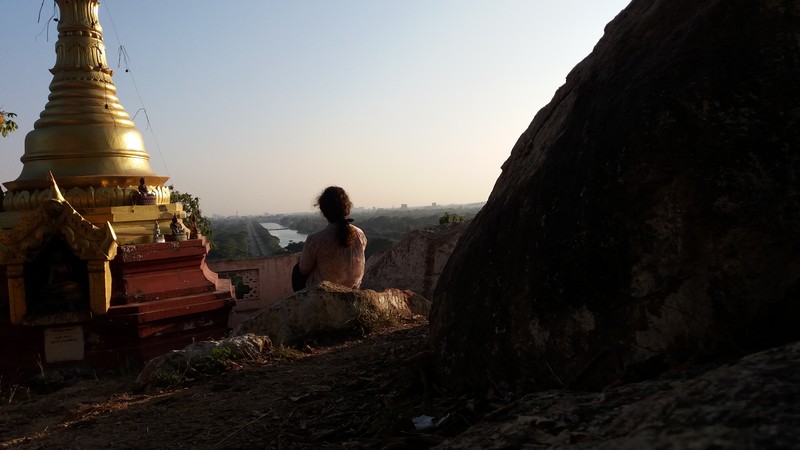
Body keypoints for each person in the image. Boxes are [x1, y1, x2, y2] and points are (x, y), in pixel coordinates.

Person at [295, 186, 367, 290]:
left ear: (323, 211)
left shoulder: (316, 240)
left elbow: (303, 269)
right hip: (353, 290)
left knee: (296, 271)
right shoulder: (360, 235)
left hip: (325, 293)